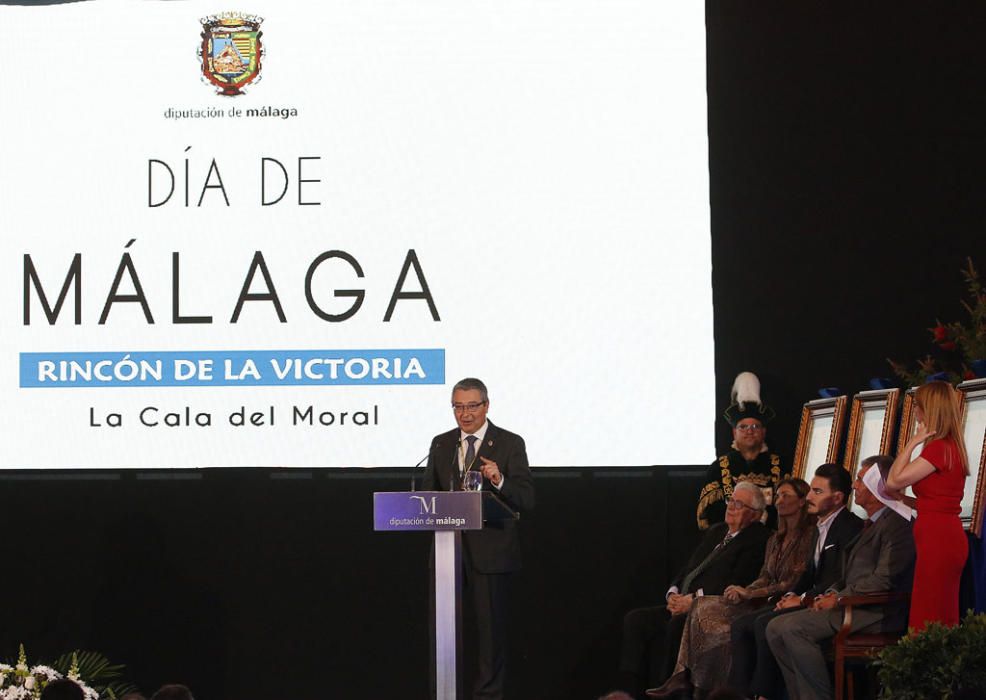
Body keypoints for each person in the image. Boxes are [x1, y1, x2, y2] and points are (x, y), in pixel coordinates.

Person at [420, 377, 535, 700]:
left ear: (486, 405)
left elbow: (526, 498)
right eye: (458, 406)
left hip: (490, 551)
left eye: (472, 406)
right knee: (442, 634)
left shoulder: (510, 443)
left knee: (490, 635)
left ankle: (488, 696)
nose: (465, 414)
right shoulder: (442, 443)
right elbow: (430, 494)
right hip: (448, 551)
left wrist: (498, 479)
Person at [648, 478, 814, 699]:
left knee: (702, 610)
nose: (779, 501)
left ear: (802, 501)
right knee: (691, 611)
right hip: (754, 599)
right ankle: (684, 679)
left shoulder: (806, 536)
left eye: (786, 496)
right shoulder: (775, 538)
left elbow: (791, 581)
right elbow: (764, 575)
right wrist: (743, 590)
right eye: (777, 496)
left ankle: (703, 686)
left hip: (775, 601)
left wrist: (749, 592)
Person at [766, 461, 915, 700]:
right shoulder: (873, 523)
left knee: (793, 628)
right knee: (774, 628)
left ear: (879, 486)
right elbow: (847, 575)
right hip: (850, 605)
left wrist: (838, 599)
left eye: (860, 480)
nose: (855, 486)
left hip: (874, 611)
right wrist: (830, 594)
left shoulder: (897, 525)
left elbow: (884, 579)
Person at [618, 481, 771, 698]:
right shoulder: (717, 531)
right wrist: (673, 593)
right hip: (683, 602)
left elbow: (737, 581)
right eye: (731, 500)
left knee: (677, 625)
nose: (731, 507)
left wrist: (693, 600)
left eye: (739, 504)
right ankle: (629, 692)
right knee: (636, 620)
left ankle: (669, 689)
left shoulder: (759, 539)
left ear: (755, 514)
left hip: (711, 610)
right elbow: (690, 568)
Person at [727, 462, 864, 700]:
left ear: (838, 498)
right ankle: (740, 694)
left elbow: (838, 578)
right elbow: (809, 574)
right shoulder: (820, 527)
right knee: (743, 624)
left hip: (831, 603)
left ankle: (767, 695)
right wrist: (792, 595)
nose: (810, 496)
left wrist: (801, 599)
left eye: (818, 492)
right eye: (811, 489)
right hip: (810, 598)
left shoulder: (850, 527)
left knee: (765, 624)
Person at [887, 380, 969, 631]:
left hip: (939, 539)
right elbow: (934, 503)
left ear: (929, 410)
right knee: (937, 609)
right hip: (941, 533)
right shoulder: (951, 447)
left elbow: (893, 480)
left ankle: (930, 667)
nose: (915, 412)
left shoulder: (939, 448)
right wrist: (904, 500)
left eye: (918, 406)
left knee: (931, 612)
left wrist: (913, 442)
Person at [698, 372, 790, 531]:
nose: (750, 431)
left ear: (763, 432)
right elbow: (710, 511)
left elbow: (790, 506)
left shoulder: (782, 465)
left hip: (770, 540)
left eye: (755, 426)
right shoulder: (718, 468)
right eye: (743, 427)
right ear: (734, 432)